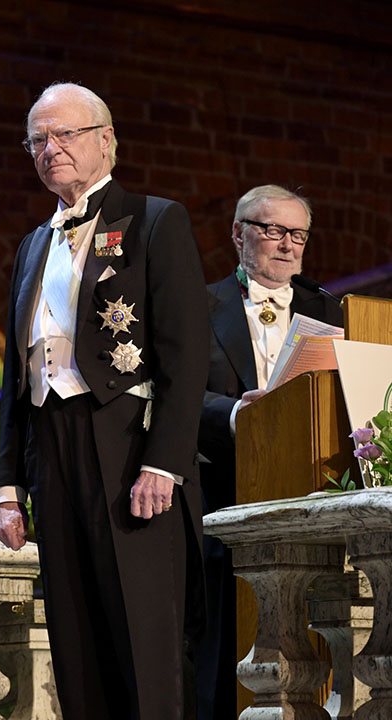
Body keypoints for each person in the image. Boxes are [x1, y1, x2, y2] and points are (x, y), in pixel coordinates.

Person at [0, 82, 209, 720]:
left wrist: (164, 462)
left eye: (65, 135)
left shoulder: (154, 220)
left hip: (128, 450)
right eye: (38, 140)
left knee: (143, 641)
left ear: (106, 141)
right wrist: (8, 485)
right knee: (75, 642)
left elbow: (185, 351)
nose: (50, 149)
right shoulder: (32, 243)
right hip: (50, 452)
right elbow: (14, 372)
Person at [195, 185, 343, 720]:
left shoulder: (326, 307)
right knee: (222, 647)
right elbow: (176, 394)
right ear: (239, 234)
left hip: (308, 488)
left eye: (297, 234)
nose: (287, 245)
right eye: (273, 230)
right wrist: (239, 415)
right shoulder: (197, 303)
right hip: (222, 493)